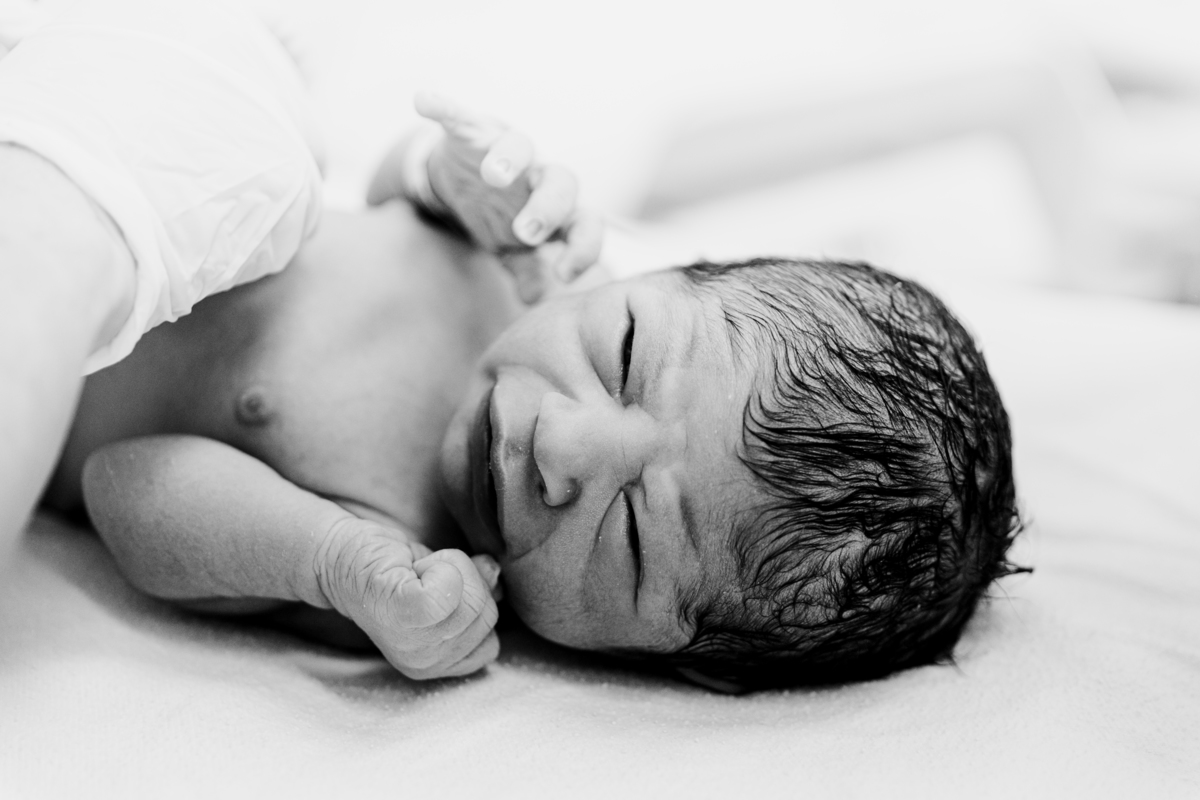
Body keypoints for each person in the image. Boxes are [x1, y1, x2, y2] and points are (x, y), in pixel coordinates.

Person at [13, 3, 1023, 691]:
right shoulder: (517, 261)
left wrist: (332, 562)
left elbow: (124, 483)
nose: (569, 449)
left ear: (676, 658)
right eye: (625, 353)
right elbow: (367, 201)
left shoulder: (398, 551)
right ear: (647, 276)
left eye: (632, 537)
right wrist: (444, 179)